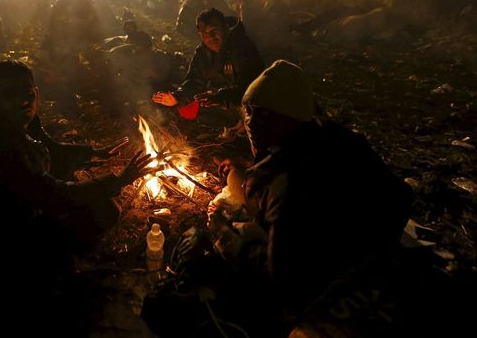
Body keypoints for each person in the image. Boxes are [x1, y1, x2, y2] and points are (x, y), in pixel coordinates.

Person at [142, 60, 412, 337]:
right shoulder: (335, 137)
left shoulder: (289, 179)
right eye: (250, 113)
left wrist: (223, 233)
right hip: (356, 253)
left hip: (314, 283)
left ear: (290, 116)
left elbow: (283, 278)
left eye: (264, 115)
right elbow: (402, 197)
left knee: (190, 249)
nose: (251, 123)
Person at [0, 61, 155, 333]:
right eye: (10, 93)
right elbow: (55, 195)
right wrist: (116, 181)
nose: (23, 100)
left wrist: (91, 153)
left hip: (22, 207)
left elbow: (50, 148)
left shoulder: (13, 119)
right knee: (104, 211)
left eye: (28, 91)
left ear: (36, 90)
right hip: (4, 240)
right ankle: (49, 270)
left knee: (82, 189)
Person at [152, 7, 264, 129]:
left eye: (214, 31)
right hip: (223, 98)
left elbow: (252, 88)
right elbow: (194, 81)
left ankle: (250, 126)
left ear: (225, 27)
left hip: (250, 102)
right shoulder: (202, 53)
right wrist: (176, 98)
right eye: (204, 34)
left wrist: (220, 98)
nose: (210, 37)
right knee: (188, 108)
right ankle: (234, 125)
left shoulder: (242, 47)